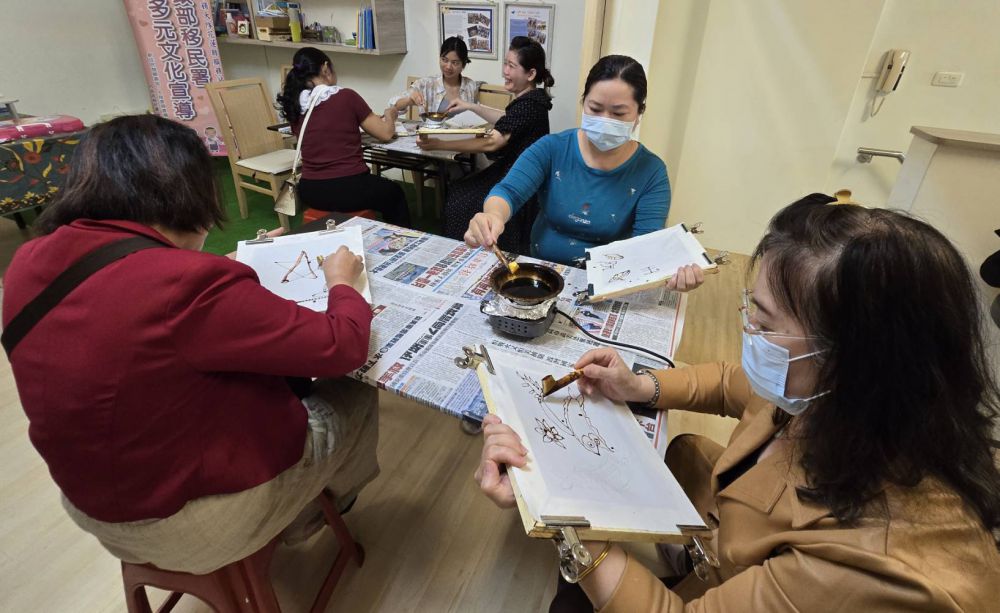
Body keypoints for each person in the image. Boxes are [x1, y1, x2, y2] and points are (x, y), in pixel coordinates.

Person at [475, 195, 1000, 611]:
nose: (747, 329)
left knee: (571, 601)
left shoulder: (880, 565)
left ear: (855, 358)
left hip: (738, 581)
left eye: (766, 323)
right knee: (683, 452)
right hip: (730, 556)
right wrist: (639, 388)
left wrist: (561, 513)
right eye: (752, 309)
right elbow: (730, 384)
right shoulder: (848, 399)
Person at [2, 115, 380, 574]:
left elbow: (129, 301)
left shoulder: (28, 260)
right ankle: (310, 515)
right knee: (355, 388)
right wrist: (341, 282)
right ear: (188, 195)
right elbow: (343, 345)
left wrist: (227, 270)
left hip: (91, 504)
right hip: (188, 521)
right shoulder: (183, 286)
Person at [464, 55, 673, 267]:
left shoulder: (651, 172)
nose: (604, 120)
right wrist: (493, 216)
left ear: (639, 113)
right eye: (595, 108)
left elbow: (646, 245)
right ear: (583, 103)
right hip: (543, 268)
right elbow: (508, 191)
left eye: (618, 113)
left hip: (609, 277)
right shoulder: (552, 148)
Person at [418, 36, 554, 253]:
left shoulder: (528, 106)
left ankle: (465, 251)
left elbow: (491, 143)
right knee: (461, 189)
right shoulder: (532, 100)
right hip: (513, 170)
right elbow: (506, 117)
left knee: (460, 198)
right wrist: (471, 106)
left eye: (511, 66)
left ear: (530, 74)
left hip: (517, 177)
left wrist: (439, 142)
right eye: (505, 64)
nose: (505, 72)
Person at [277, 47, 411, 227]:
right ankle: (398, 244)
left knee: (378, 191)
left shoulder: (295, 104)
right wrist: (390, 114)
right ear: (325, 69)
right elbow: (386, 133)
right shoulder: (346, 96)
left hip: (311, 190)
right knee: (394, 193)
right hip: (349, 188)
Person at [388, 36, 483, 115]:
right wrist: (409, 100)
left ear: (463, 64)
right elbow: (392, 106)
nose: (448, 67)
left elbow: (476, 115)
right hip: (432, 135)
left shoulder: (470, 85)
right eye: (444, 60)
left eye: (455, 63)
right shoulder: (426, 84)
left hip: (464, 136)